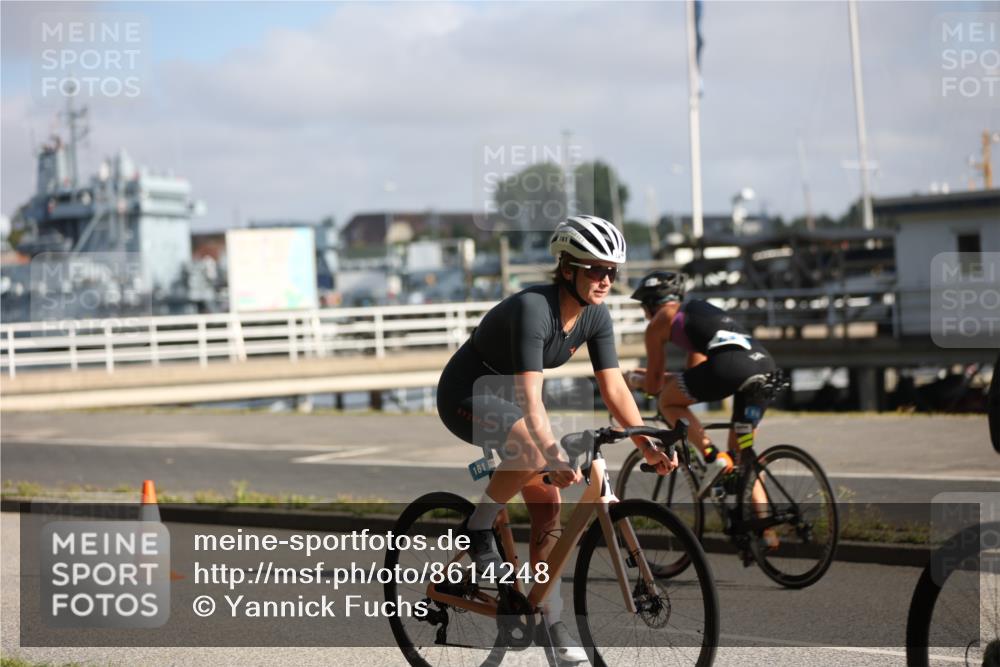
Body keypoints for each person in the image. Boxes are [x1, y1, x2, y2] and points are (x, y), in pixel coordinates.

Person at [437, 215, 677, 663]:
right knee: (534, 451)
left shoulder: (595, 316)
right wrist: (550, 452)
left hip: (512, 402)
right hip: (469, 394)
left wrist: (646, 443)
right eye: (595, 269)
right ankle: (476, 527)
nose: (605, 279)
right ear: (567, 267)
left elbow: (615, 388)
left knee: (549, 509)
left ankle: (550, 621)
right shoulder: (534, 309)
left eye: (612, 271)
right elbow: (531, 399)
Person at [626, 270, 779, 547]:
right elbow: (696, 376)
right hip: (764, 367)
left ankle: (710, 455)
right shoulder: (699, 314)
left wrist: (634, 380)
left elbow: (655, 385)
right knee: (743, 455)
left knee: (668, 402)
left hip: (730, 368)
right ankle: (766, 528)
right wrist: (659, 380)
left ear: (650, 303)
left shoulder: (661, 320)